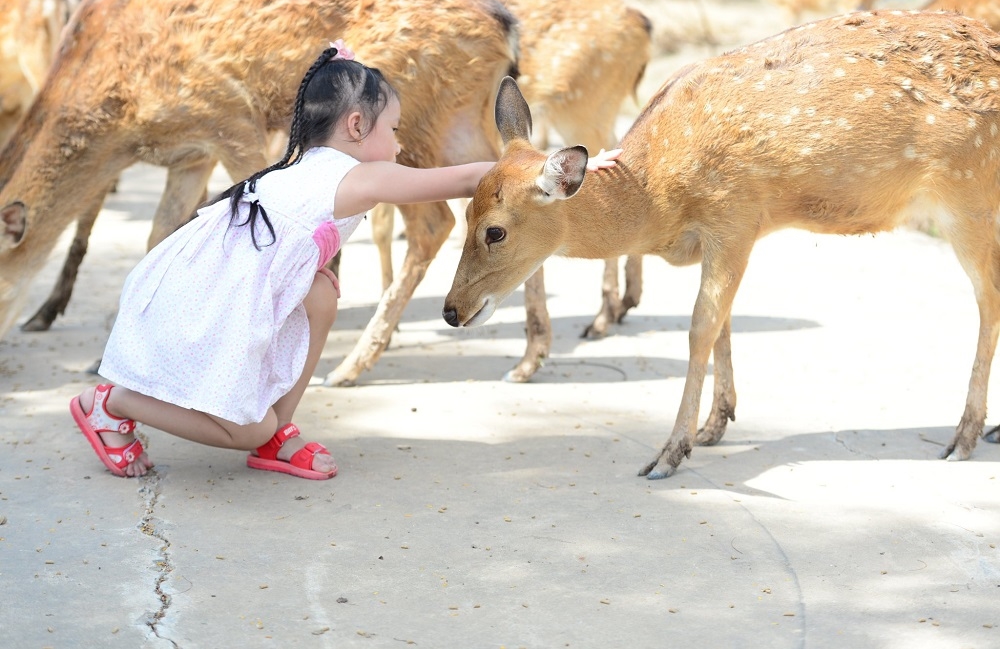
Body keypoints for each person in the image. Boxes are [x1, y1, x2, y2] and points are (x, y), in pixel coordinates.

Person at [69, 40, 621, 480]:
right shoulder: (360, 176)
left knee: (321, 292)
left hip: (215, 283)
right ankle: (113, 403)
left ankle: (276, 432)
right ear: (357, 127)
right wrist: (554, 173)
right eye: (395, 131)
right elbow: (465, 177)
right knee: (245, 427)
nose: (400, 146)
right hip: (217, 297)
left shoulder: (309, 162)